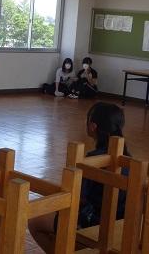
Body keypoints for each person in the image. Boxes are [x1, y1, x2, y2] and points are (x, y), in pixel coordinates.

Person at [29, 102, 130, 253]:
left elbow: (77, 197)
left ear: (93, 126)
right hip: (121, 222)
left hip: (94, 221)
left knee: (34, 222)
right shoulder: (128, 158)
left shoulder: (92, 160)